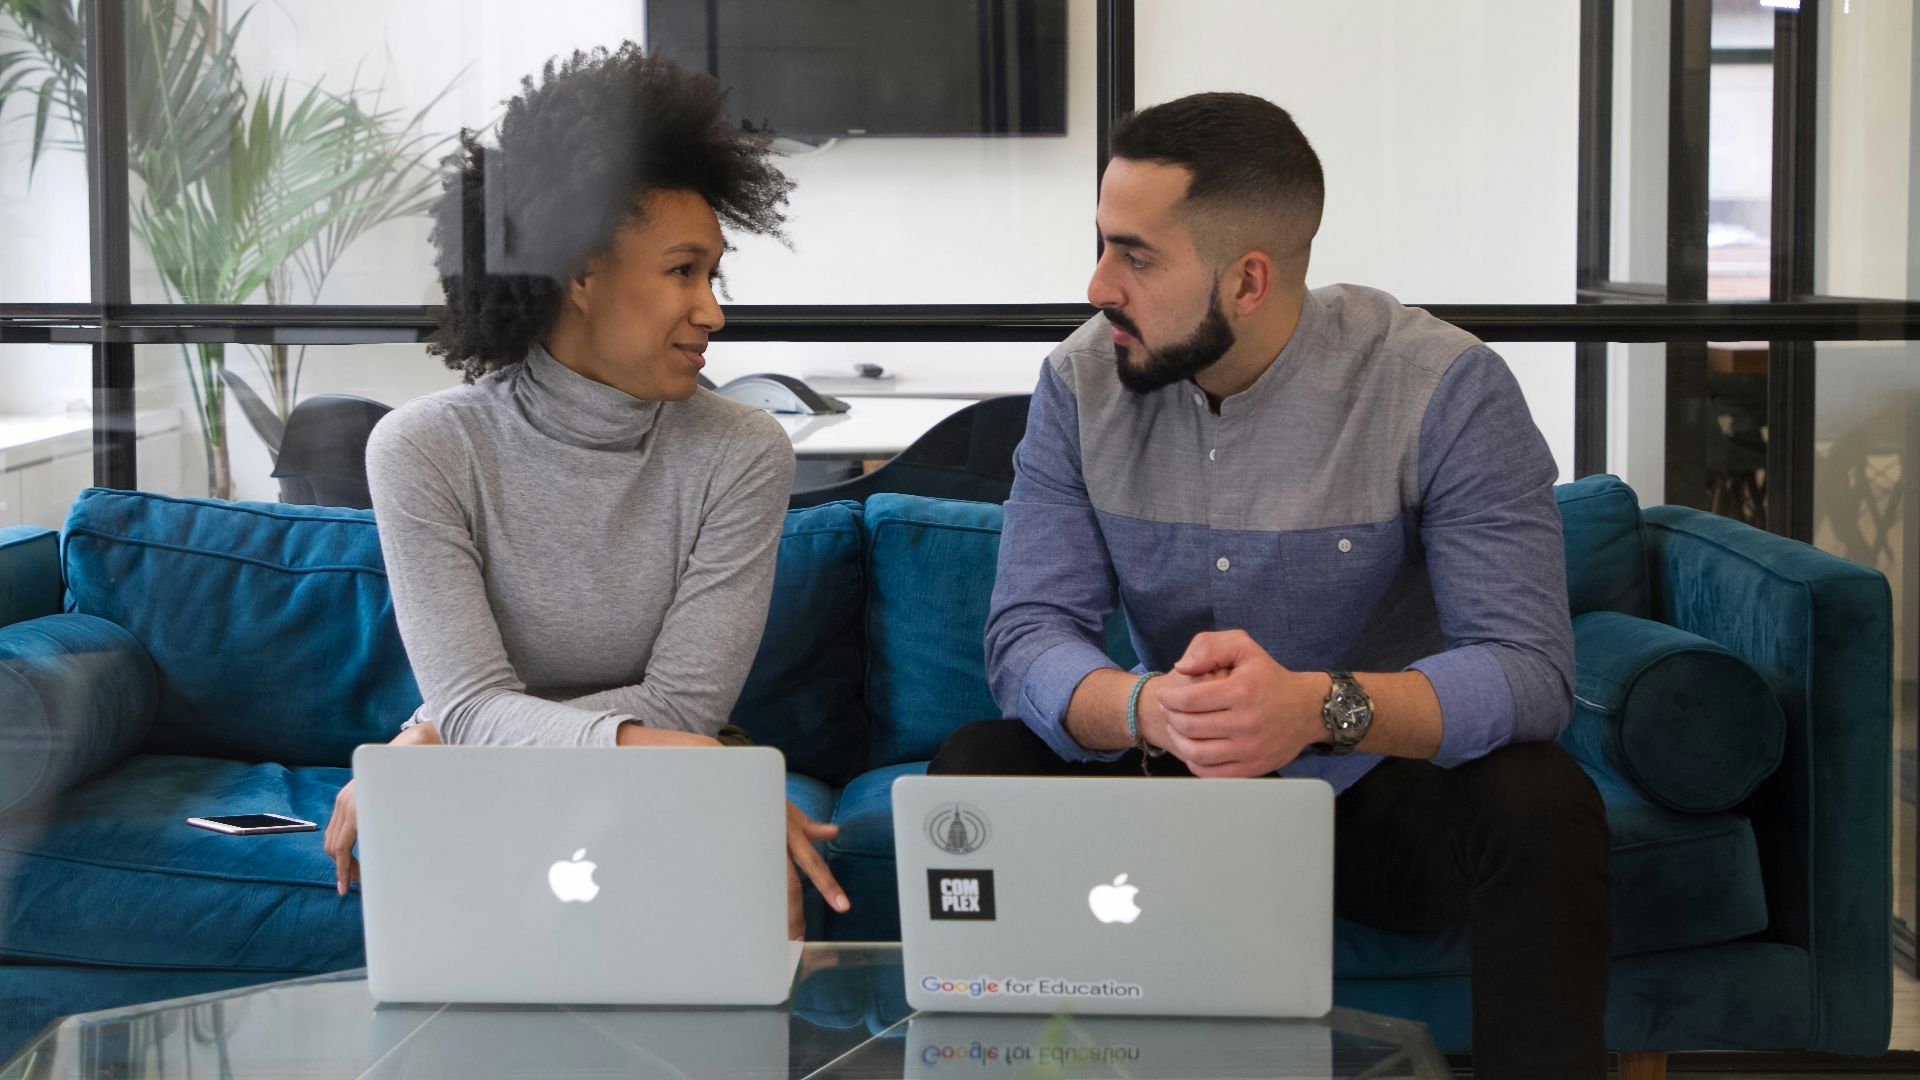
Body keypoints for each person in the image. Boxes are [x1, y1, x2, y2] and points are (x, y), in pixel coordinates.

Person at [928, 92, 1609, 1079]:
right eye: (1102, 245)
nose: (1097, 284)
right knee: (978, 765)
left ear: (1248, 280)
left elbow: (1529, 672)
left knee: (1538, 799)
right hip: (1175, 778)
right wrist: (1148, 706)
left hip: (1374, 787)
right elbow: (1029, 631)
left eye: (1136, 256)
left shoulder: (1442, 389)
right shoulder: (1079, 386)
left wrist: (1314, 709)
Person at [321, 44, 849, 940]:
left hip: (662, 756)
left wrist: (447, 740)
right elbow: (473, 699)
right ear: (579, 272)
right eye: (684, 271)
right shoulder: (424, 449)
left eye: (713, 275)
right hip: (655, 760)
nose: (714, 310)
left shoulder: (743, 449)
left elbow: (687, 707)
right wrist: (463, 724)